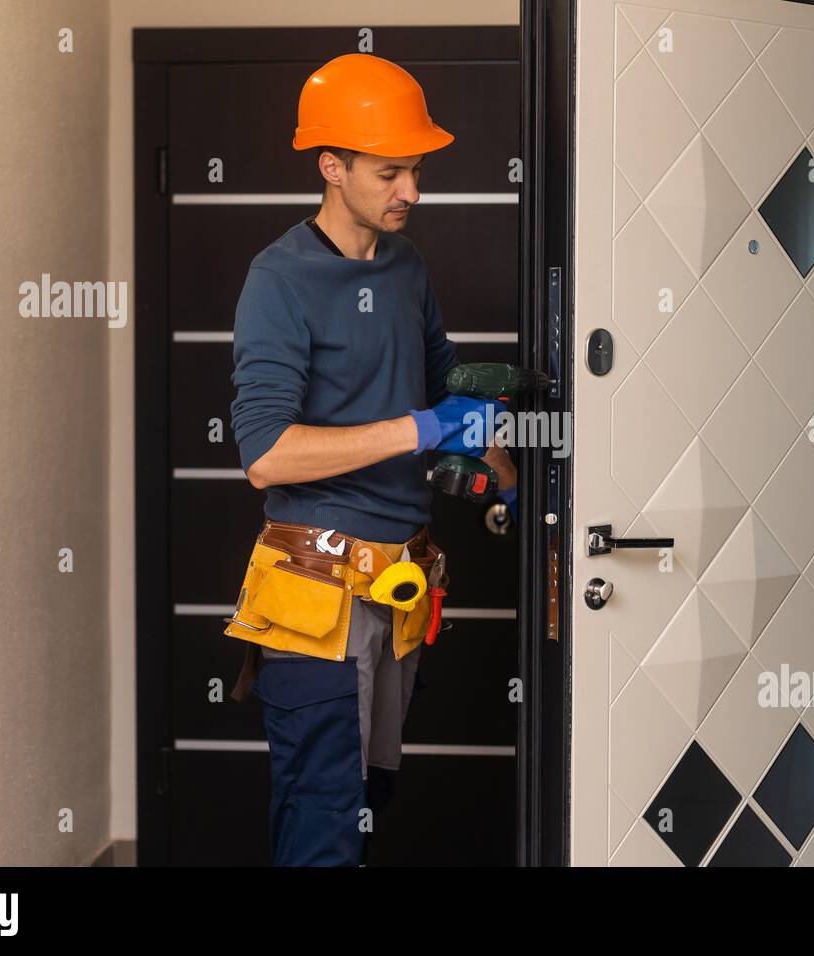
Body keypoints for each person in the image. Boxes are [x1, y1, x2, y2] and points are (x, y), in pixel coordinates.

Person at [225, 53, 517, 866]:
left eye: (415, 171)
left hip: (399, 592)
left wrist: (517, 476)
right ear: (331, 166)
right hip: (317, 599)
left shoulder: (404, 267)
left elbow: (444, 404)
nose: (411, 193)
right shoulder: (278, 281)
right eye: (391, 173)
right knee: (323, 820)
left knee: (368, 804)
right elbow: (267, 455)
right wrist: (421, 430)